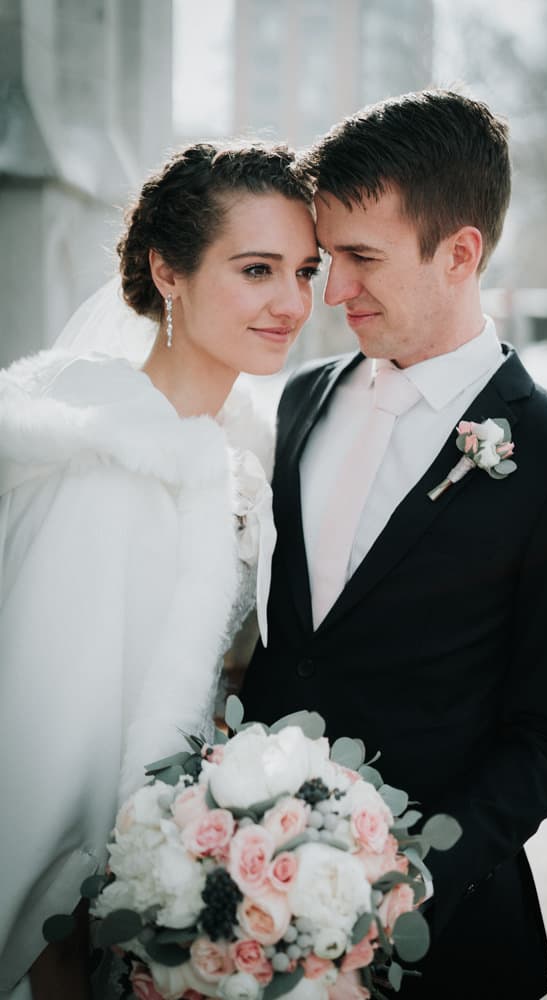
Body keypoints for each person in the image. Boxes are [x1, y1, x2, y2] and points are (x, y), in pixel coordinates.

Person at [240, 90, 547, 998]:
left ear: (461, 253)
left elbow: (543, 741)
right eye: (325, 256)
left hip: (443, 940)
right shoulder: (303, 399)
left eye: (361, 258)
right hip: (253, 911)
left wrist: (404, 884)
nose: (331, 291)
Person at [0, 141, 319, 1000]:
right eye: (257, 269)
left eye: (305, 270)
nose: (292, 302)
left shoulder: (240, 451)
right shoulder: (107, 464)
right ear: (167, 271)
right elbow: (37, 758)